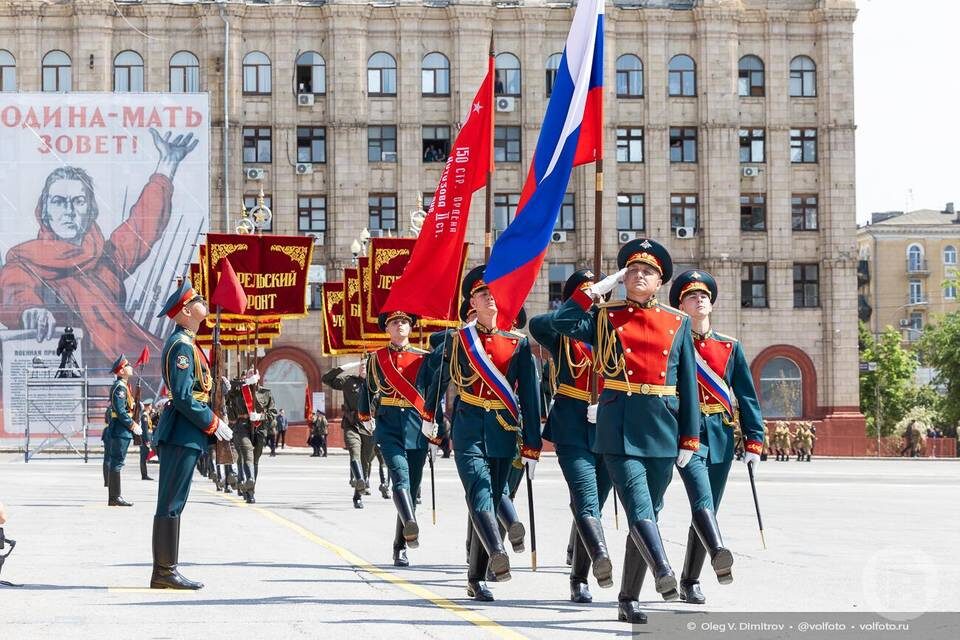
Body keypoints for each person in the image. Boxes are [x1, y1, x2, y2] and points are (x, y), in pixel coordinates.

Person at [552, 238, 699, 624]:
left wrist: (690, 435)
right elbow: (561, 323)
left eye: (647, 272)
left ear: (660, 281)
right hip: (618, 425)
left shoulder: (677, 321)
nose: (638, 275)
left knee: (649, 511)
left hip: (663, 426)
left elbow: (688, 382)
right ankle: (663, 569)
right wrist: (593, 292)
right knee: (637, 505)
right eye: (631, 270)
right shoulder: (606, 315)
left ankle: (628, 598)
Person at [0, 130, 198, 365]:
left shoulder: (106, 258)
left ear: (91, 209)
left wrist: (167, 164)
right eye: (59, 201)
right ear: (44, 211)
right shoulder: (27, 260)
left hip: (120, 373)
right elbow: (14, 287)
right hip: (61, 380)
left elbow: (142, 225)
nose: (69, 211)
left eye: (78, 201)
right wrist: (30, 311)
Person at [423, 264, 541, 602]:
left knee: (491, 496)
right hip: (469, 427)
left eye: (493, 293)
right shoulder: (458, 340)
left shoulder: (517, 344)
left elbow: (530, 398)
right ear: (471, 302)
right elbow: (437, 382)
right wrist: (429, 420)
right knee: (479, 491)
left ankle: (476, 578)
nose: (489, 298)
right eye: (481, 293)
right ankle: (497, 550)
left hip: (504, 431)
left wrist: (533, 444)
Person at [667, 269, 765, 605]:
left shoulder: (729, 347)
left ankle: (689, 580)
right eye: (692, 296)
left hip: (721, 435)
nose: (700, 299)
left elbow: (747, 395)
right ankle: (718, 554)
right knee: (702, 501)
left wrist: (754, 440)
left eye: (704, 296)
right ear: (681, 305)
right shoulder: (673, 346)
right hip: (687, 435)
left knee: (707, 508)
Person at [530, 270, 615, 604]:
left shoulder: (614, 329)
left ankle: (578, 570)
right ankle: (590, 569)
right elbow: (537, 325)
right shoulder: (563, 333)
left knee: (596, 503)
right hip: (570, 424)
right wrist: (581, 300)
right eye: (586, 292)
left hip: (608, 426)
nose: (595, 297)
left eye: (598, 292)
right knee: (585, 496)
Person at [150, 278, 233, 590]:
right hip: (182, 431)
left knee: (175, 502)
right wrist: (212, 422)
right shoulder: (182, 346)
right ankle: (163, 572)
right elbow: (185, 397)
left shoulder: (188, 342)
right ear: (185, 310)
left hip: (187, 432)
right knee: (171, 502)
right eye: (198, 299)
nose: (204, 303)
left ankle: (166, 570)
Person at [358, 310, 440, 567]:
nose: (400, 325)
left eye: (404, 322)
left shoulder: (424, 358)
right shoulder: (377, 359)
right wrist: (365, 414)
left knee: (412, 487)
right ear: (387, 329)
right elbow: (368, 388)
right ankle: (410, 526)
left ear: (411, 327)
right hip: (389, 424)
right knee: (400, 475)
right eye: (395, 322)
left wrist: (435, 423)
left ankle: (400, 545)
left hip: (417, 426)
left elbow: (434, 390)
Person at [322, 361, 376, 509]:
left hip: (370, 427)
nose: (363, 368)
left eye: (367, 366)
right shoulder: (349, 381)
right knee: (354, 452)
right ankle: (359, 479)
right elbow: (326, 379)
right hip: (352, 425)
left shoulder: (378, 384)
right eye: (361, 366)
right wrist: (345, 367)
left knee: (366, 461)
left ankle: (358, 495)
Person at [226, 369, 277, 504]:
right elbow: (229, 389)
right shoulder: (239, 390)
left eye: (254, 374)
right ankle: (248, 486)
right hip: (242, 426)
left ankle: (250, 489)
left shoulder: (265, 393)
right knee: (247, 453)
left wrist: (261, 416)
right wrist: (246, 382)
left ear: (259, 376)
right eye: (249, 374)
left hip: (259, 428)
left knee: (255, 460)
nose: (251, 376)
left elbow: (273, 413)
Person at [105, 354, 142, 506]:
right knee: (117, 462)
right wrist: (133, 425)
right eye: (127, 365)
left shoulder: (124, 387)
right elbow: (120, 411)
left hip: (122, 430)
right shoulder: (120, 387)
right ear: (121, 371)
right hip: (121, 429)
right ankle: (115, 497)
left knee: (117, 462)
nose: (130, 367)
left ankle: (115, 497)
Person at [139, 400, 155, 481]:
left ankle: (145, 475)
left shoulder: (147, 416)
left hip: (147, 438)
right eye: (151, 405)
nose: (151, 407)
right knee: (143, 458)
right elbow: (144, 430)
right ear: (148, 406)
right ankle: (144, 475)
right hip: (145, 439)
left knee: (144, 458)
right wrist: (147, 441)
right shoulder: (144, 416)